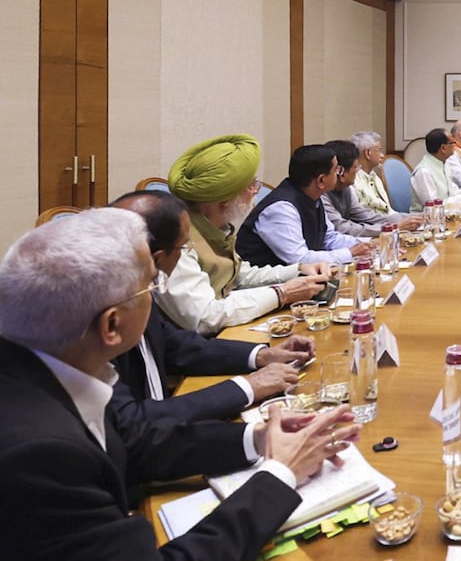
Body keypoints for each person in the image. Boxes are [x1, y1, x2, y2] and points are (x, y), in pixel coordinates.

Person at [0, 208, 360, 560]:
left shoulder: (57, 359)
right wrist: (279, 476)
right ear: (111, 326)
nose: (157, 292)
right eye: (150, 286)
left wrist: (261, 439)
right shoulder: (37, 455)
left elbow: (134, 440)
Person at [111, 190, 308, 424]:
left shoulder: (138, 286)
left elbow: (176, 345)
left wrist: (262, 355)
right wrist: (248, 387)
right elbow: (134, 424)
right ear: (157, 258)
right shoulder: (99, 316)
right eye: (183, 247)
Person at [162, 134, 330, 335]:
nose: (256, 191)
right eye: (251, 185)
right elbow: (206, 317)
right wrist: (282, 293)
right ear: (225, 200)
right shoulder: (177, 242)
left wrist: (299, 270)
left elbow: (238, 275)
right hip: (201, 349)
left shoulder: (215, 227)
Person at [237, 144, 376, 267]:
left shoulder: (313, 196)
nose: (339, 174)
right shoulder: (281, 209)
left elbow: (329, 238)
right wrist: (349, 253)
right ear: (321, 180)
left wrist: (368, 244)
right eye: (336, 170)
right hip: (263, 287)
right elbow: (299, 259)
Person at [321, 139, 421, 237]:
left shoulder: (346, 188)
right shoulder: (322, 195)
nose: (358, 171)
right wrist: (392, 228)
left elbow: (368, 217)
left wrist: (416, 217)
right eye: (355, 167)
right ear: (340, 172)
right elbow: (343, 228)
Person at [351, 130, 404, 216]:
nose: (382, 155)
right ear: (368, 153)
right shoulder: (353, 181)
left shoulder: (374, 176)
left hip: (391, 222)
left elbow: (389, 211)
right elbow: (364, 217)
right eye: (379, 150)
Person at [410, 127, 461, 212]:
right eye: (452, 143)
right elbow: (433, 207)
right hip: (425, 221)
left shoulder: (444, 163)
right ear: (443, 148)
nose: (455, 145)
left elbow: (452, 191)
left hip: (448, 214)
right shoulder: (424, 171)